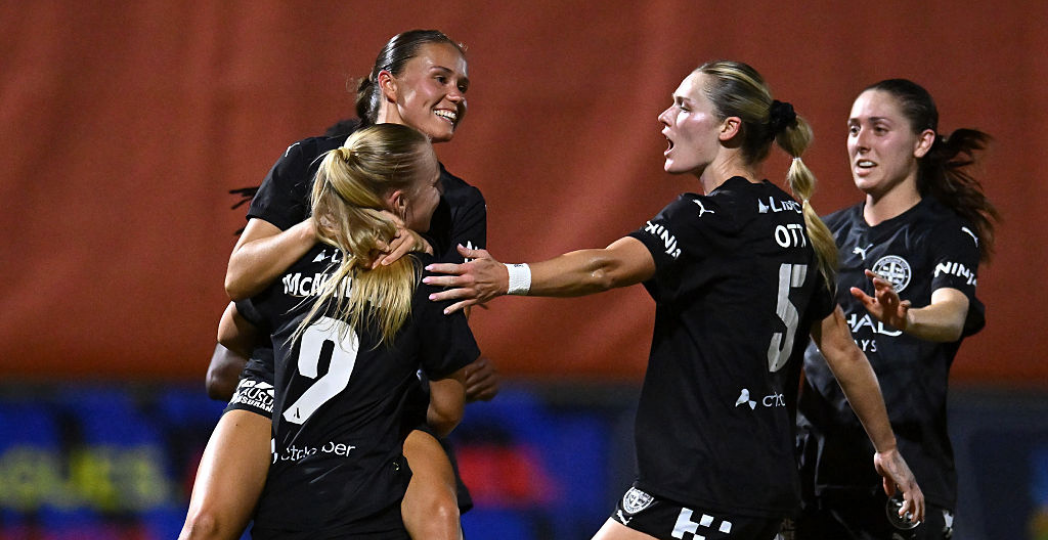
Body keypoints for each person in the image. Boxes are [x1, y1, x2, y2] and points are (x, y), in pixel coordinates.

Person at [422, 60, 925, 540]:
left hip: (701, 483)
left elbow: (606, 267)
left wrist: (506, 276)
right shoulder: (794, 222)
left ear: (728, 129)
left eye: (683, 106)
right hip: (769, 485)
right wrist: (886, 450)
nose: (665, 117)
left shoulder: (707, 216)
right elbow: (842, 348)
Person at [180, 30, 493, 540]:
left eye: (463, 85)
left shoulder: (456, 201)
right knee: (207, 524)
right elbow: (239, 277)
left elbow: (446, 332)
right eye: (442, 78)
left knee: (439, 517)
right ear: (388, 84)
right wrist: (316, 228)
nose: (458, 95)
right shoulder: (311, 160)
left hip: (382, 383)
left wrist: (422, 251)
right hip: (281, 376)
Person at [242, 123, 475, 539]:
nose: (441, 197)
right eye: (435, 186)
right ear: (400, 202)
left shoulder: (288, 267)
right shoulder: (426, 282)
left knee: (204, 525)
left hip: (285, 509)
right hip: (370, 509)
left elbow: (230, 330)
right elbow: (447, 409)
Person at [794, 79, 999, 540]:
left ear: (922, 142)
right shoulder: (823, 236)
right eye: (852, 129)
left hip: (906, 473)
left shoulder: (944, 234)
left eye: (879, 129)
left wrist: (906, 318)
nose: (860, 143)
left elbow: (951, 316)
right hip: (817, 474)